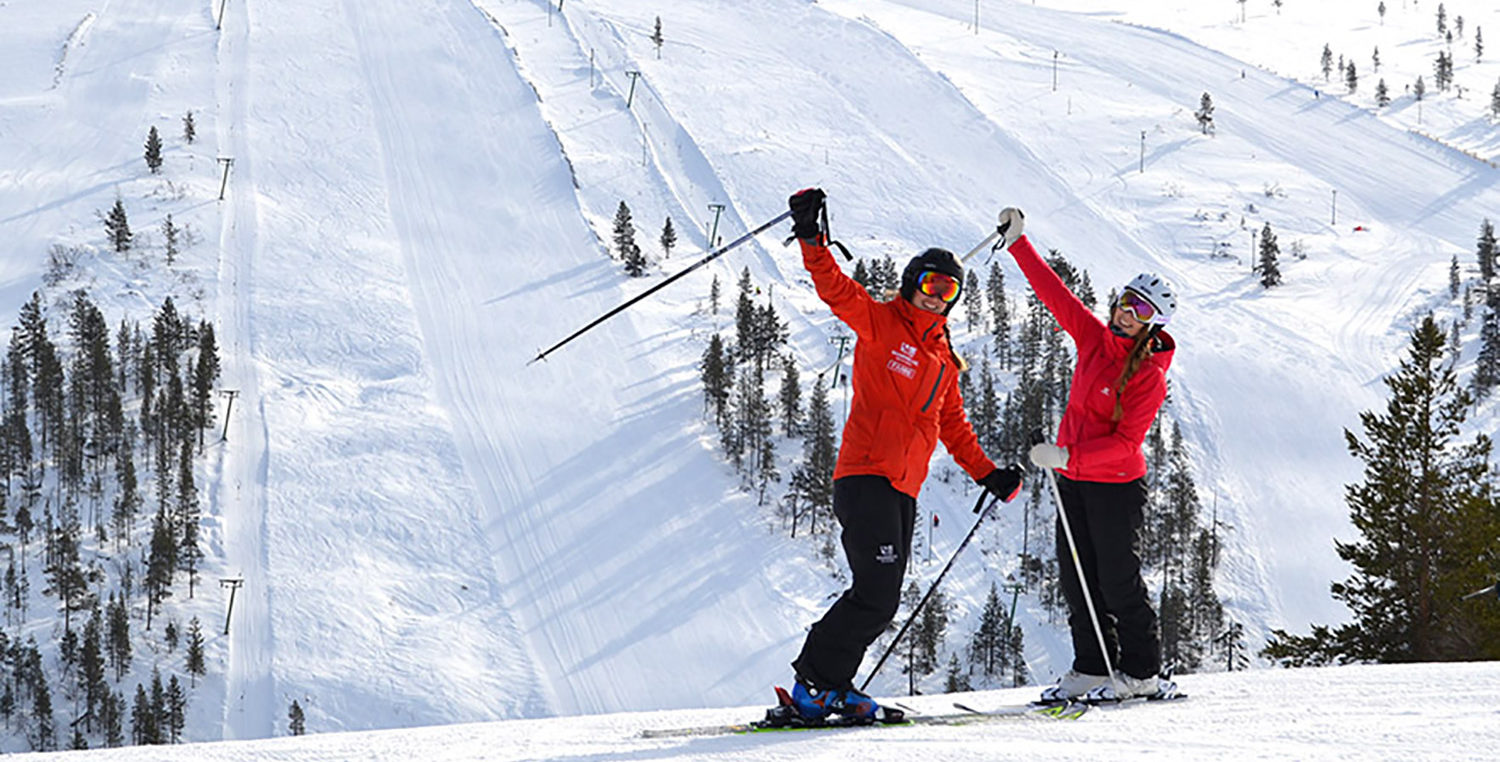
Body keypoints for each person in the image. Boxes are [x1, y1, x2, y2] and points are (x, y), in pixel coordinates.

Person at [782, 188, 1024, 723]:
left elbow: (953, 427)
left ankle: (831, 685)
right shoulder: (881, 322)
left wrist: (989, 475)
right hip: (865, 475)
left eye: (949, 289)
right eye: (931, 285)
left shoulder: (944, 360)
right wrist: (811, 236)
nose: (939, 296)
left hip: (902, 489)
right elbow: (834, 289)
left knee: (882, 596)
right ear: (912, 284)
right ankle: (815, 685)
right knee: (874, 591)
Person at [995, 207, 1179, 702]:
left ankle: (1142, 672)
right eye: (1125, 303)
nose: (1126, 314)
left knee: (1117, 579)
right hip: (1073, 479)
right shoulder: (1095, 340)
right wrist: (1019, 243)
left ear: (1153, 324)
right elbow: (1056, 296)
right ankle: (1093, 667)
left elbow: (1125, 444)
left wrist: (1065, 456)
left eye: (1140, 312)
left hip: (1115, 485)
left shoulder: (1148, 377)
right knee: (1077, 579)